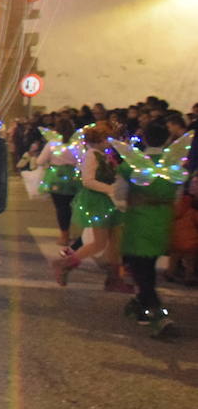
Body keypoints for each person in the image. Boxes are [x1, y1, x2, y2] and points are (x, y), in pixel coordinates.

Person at [117, 123, 182, 336]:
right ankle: (141, 307)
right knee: (149, 266)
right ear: (167, 139)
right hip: (162, 220)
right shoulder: (173, 165)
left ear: (144, 138)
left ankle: (159, 315)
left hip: (139, 220)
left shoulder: (132, 164)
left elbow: (119, 195)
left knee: (140, 270)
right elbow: (178, 196)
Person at [52, 124, 129, 291]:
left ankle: (114, 279)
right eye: (106, 139)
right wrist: (110, 189)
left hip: (108, 201)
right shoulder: (92, 155)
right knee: (100, 243)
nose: (109, 142)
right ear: (99, 140)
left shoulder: (102, 155)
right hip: (98, 202)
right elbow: (88, 181)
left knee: (115, 242)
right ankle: (64, 264)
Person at [36, 116, 82, 250]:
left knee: (61, 207)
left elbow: (40, 161)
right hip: (73, 178)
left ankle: (64, 236)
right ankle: (76, 233)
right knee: (73, 206)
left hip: (56, 177)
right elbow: (82, 160)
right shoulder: (77, 144)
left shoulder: (52, 144)